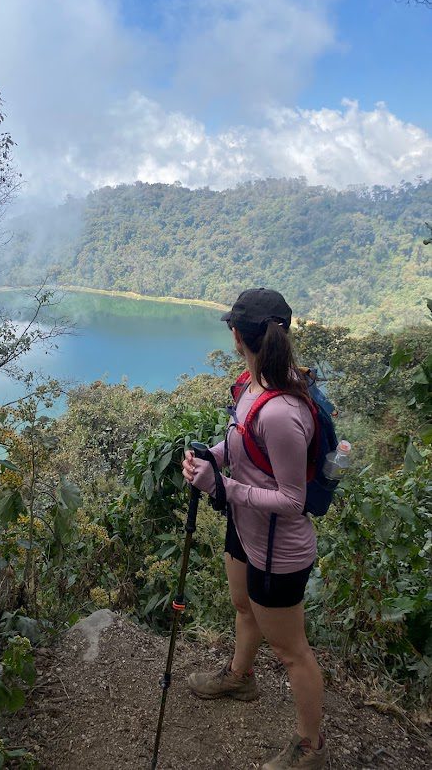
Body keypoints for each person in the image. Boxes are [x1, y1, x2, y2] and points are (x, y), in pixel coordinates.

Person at [182, 288, 328, 770]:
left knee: (292, 652)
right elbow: (242, 445)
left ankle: (310, 749)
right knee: (243, 606)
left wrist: (222, 488)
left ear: (237, 334)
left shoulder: (283, 411)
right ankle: (240, 678)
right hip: (245, 530)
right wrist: (211, 460)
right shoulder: (251, 384)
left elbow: (292, 500)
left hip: (278, 549)